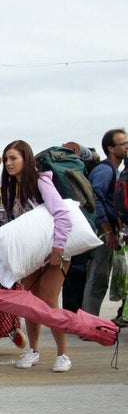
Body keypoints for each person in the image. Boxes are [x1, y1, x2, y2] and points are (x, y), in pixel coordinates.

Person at [1, 140, 73, 372]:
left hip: (54, 253)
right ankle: (33, 350)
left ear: (26, 159)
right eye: (6, 159)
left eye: (14, 158)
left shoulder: (41, 182)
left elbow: (62, 214)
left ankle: (63, 354)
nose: (9, 163)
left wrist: (58, 249)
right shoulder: (12, 188)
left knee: (50, 302)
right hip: (31, 255)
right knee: (30, 303)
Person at [81, 128, 128, 317]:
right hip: (102, 232)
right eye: (122, 144)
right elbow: (94, 200)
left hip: (108, 230)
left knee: (100, 276)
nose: (126, 147)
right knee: (98, 276)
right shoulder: (104, 170)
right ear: (110, 148)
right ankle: (87, 323)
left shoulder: (115, 170)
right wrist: (108, 231)